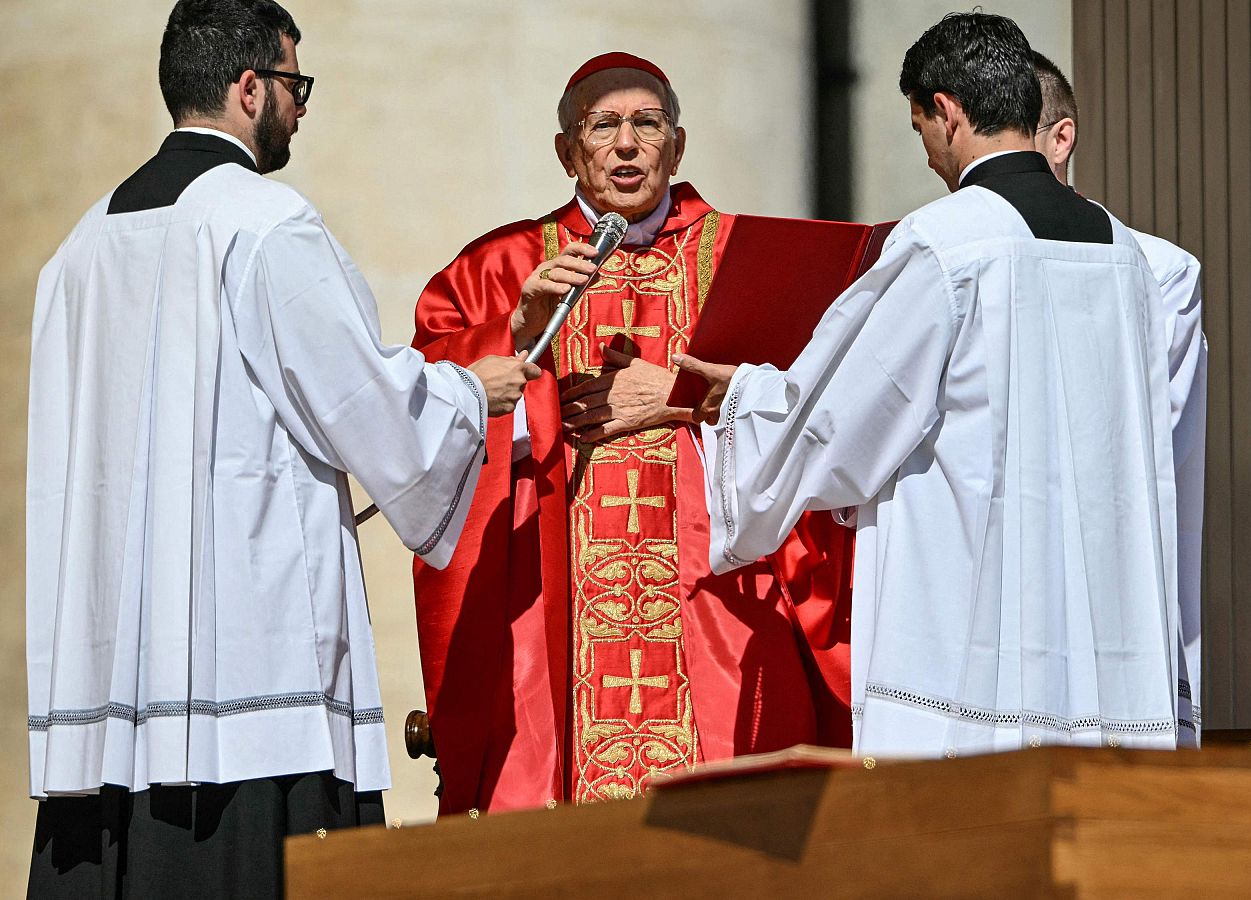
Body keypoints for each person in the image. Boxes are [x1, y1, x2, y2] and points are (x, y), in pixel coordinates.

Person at [25, 1, 536, 895]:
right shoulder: (265, 223)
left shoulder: (79, 246)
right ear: (249, 87)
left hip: (110, 684)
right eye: (296, 86)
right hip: (250, 685)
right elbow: (365, 403)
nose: (302, 109)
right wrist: (473, 390)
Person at [676, 12, 1184, 758]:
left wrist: (746, 400)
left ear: (946, 113)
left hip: (970, 644)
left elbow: (842, 421)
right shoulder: (1126, 254)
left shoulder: (947, 241)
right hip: (1103, 641)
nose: (926, 158)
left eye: (919, 129)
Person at [412, 52, 851, 811]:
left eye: (646, 124)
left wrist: (682, 400)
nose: (626, 144)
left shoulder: (751, 259)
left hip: (716, 605)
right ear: (567, 151)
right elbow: (419, 409)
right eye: (603, 125)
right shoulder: (500, 267)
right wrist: (515, 339)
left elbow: (828, 409)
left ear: (676, 147)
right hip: (553, 603)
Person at [1033, 50, 1206, 745]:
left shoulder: (1156, 272)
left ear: (1060, 138)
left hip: (1111, 595)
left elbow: (1148, 444)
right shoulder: (940, 254)